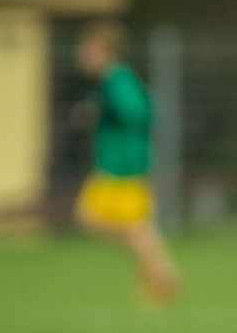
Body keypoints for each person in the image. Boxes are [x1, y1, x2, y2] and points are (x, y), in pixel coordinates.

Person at [74, 21, 179, 302]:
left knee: (109, 222)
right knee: (120, 225)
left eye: (88, 50)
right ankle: (159, 271)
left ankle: (161, 273)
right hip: (117, 164)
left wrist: (103, 114)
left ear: (104, 51)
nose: (83, 55)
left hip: (122, 166)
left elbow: (138, 111)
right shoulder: (113, 81)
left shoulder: (116, 79)